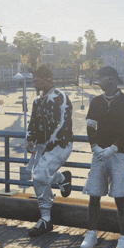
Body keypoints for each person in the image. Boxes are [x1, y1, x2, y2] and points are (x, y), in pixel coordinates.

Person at [80, 66, 124, 248]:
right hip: (98, 154)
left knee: (120, 197)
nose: (99, 80)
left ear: (113, 79)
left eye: (102, 77)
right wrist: (95, 147)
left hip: (120, 154)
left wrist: (113, 148)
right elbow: (90, 126)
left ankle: (123, 238)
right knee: (94, 194)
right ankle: (91, 234)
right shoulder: (96, 101)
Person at [26, 64, 73, 237]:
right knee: (38, 180)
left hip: (60, 145)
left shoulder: (60, 97)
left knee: (39, 175)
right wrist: (30, 138)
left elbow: (63, 124)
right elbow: (33, 121)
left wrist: (50, 143)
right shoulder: (38, 100)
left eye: (36, 79)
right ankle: (46, 219)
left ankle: (62, 178)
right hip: (42, 146)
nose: (33, 82)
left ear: (47, 80)